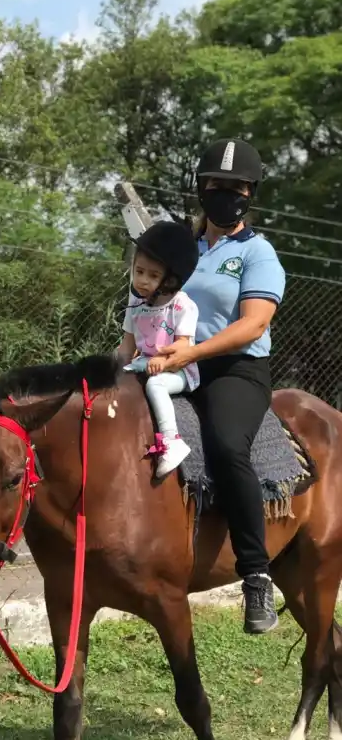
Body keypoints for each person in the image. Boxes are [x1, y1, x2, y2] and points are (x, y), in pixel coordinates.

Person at [158, 138, 286, 636]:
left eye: (236, 188)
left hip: (234, 371)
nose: (226, 195)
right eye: (217, 186)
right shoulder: (180, 246)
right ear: (201, 189)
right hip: (171, 360)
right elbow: (146, 288)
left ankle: (255, 575)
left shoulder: (259, 253)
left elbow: (253, 325)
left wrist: (192, 353)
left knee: (229, 445)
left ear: (249, 194)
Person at [117, 220, 200, 478]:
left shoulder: (182, 305)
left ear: (170, 279)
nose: (142, 281)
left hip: (179, 370)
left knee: (155, 385)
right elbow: (127, 346)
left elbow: (183, 346)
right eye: (139, 271)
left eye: (153, 275)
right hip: (145, 362)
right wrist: (110, 370)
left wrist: (163, 363)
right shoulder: (135, 302)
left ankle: (172, 441)